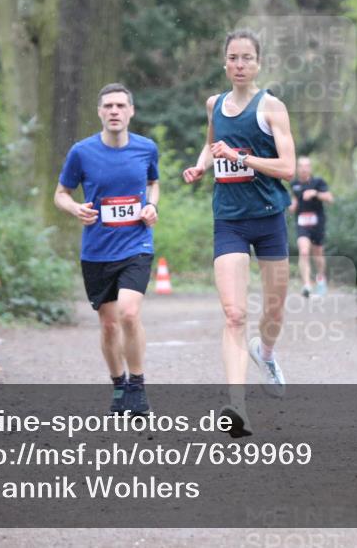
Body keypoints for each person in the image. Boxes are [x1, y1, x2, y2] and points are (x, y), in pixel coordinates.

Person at [183, 29, 296, 437]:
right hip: (228, 218)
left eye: (247, 58)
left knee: (275, 310)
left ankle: (265, 353)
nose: (240, 65)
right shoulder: (215, 105)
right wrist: (203, 165)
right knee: (234, 313)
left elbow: (286, 168)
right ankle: (236, 407)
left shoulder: (273, 108)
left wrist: (241, 156)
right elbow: (212, 145)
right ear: (225, 62)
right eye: (233, 58)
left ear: (258, 63)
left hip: (268, 218)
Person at [54, 83, 159, 416]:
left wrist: (151, 206)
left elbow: (154, 183)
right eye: (108, 106)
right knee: (109, 324)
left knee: (129, 312)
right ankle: (118, 387)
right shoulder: (82, 152)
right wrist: (75, 209)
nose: (114, 111)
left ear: (131, 112)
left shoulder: (146, 148)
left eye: (120, 106)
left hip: (136, 243)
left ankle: (138, 388)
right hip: (97, 251)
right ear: (100, 112)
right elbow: (61, 193)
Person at [289, 156, 333, 298]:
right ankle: (306, 285)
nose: (303, 169)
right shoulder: (294, 184)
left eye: (306, 166)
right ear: (297, 168)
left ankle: (320, 279)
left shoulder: (318, 182)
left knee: (318, 254)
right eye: (300, 166)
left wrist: (316, 193)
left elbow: (330, 198)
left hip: (317, 223)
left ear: (310, 168)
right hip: (302, 223)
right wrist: (291, 205)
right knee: (303, 251)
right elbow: (294, 201)